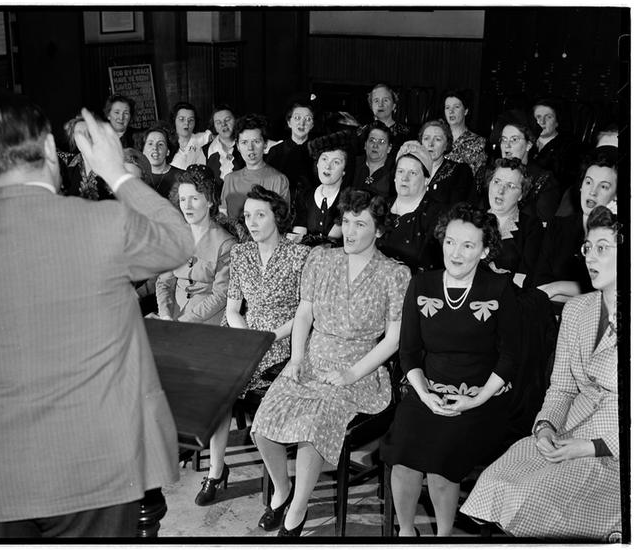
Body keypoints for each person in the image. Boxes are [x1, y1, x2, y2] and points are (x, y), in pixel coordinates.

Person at [0, 90, 194, 538]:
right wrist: (114, 172)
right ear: (49, 148)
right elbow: (178, 241)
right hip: (92, 467)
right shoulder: (101, 224)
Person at [251, 189, 411, 537]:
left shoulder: (394, 274)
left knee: (313, 426)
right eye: (347, 221)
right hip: (312, 358)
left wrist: (351, 373)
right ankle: (282, 490)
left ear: (379, 230)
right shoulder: (321, 259)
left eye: (360, 224)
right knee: (263, 424)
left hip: (359, 368)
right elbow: (304, 314)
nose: (349, 231)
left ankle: (297, 510)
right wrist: (296, 358)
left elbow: (394, 339)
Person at [461, 205, 621, 540]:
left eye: (602, 248)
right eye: (587, 247)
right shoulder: (577, 310)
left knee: (529, 496)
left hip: (616, 454)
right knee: (495, 481)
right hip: (567, 433)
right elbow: (561, 388)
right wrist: (545, 426)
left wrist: (589, 447)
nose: (591, 257)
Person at [380, 202, 519, 537]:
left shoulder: (499, 289)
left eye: (468, 245)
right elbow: (409, 352)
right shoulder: (422, 284)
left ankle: (443, 538)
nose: (456, 253)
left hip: (482, 395)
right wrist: (424, 394)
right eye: (451, 242)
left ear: (484, 251)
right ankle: (406, 534)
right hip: (427, 389)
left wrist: (477, 399)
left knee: (441, 465)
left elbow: (511, 356)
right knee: (403, 460)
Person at [194, 185, 311, 507]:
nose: (253, 222)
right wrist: (247, 337)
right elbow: (233, 309)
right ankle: (216, 471)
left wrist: (268, 338)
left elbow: (305, 314)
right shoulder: (241, 253)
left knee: (243, 388)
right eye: (247, 216)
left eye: (260, 215)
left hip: (283, 338)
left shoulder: (299, 256)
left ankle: (280, 486)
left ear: (278, 217)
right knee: (218, 388)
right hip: (243, 334)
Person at [154, 165, 236, 325]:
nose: (187, 206)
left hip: (208, 323)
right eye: (183, 199)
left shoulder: (226, 244)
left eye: (194, 199)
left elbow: (221, 295)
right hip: (173, 318)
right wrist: (165, 315)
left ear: (210, 201)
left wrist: (185, 321)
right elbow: (164, 282)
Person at [535, 146, 617, 303]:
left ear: (615, 196)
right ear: (581, 185)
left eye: (604, 186)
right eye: (588, 182)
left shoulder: (616, 237)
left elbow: (603, 292)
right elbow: (539, 285)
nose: (593, 192)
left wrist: (556, 287)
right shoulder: (557, 226)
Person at [378, 141, 444, 274]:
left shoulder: (437, 215)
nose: (405, 178)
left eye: (413, 173)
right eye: (400, 171)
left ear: (426, 180)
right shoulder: (380, 206)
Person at [485, 109, 561, 225]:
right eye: (504, 140)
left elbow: (543, 225)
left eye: (514, 140)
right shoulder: (491, 172)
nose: (507, 146)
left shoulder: (544, 180)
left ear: (528, 145)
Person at [485, 157, 543, 288]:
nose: (501, 190)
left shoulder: (531, 227)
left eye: (510, 186)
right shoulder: (472, 219)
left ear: (521, 195)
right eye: (497, 182)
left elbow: (526, 275)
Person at [220, 114, 290, 221]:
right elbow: (223, 217)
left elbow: (283, 221)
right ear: (238, 146)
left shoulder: (279, 180)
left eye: (256, 142)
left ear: (265, 144)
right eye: (244, 142)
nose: (250, 148)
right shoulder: (230, 179)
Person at [291, 132, 351, 245]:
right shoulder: (305, 196)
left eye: (336, 162)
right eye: (324, 159)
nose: (328, 166)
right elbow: (297, 237)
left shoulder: (350, 200)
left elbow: (333, 242)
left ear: (344, 170)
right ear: (317, 163)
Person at [266, 100, 318, 201]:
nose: (302, 123)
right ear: (289, 122)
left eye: (308, 119)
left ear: (312, 125)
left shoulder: (318, 151)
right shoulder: (276, 151)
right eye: (297, 118)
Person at [529, 98, 580, 195]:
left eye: (548, 117)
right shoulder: (525, 140)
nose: (542, 122)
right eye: (538, 117)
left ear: (557, 122)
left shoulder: (569, 147)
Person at [419, 119, 473, 207]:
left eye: (437, 139)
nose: (430, 144)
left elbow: (458, 208)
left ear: (446, 145)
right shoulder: (411, 167)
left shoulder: (460, 171)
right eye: (426, 138)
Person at [443, 89, 487, 177]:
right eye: (447, 107)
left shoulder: (477, 142)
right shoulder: (439, 137)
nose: (451, 111)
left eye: (456, 107)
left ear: (465, 111)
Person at [202, 104, 243, 193]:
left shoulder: (247, 146)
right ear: (215, 127)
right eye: (218, 122)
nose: (223, 124)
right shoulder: (204, 151)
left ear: (236, 121)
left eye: (227, 120)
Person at [351, 121, 395, 199]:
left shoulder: (394, 171)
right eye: (372, 140)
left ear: (389, 148)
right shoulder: (352, 164)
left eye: (381, 142)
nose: (375, 145)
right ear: (365, 144)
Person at [141, 123, 184, 199]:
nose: (155, 148)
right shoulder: (137, 176)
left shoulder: (182, 177)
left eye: (160, 144)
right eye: (150, 143)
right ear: (143, 150)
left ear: (168, 151)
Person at [169, 101, 212, 170]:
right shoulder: (167, 142)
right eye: (181, 119)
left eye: (191, 120)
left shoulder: (202, 138)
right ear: (174, 120)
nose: (186, 123)